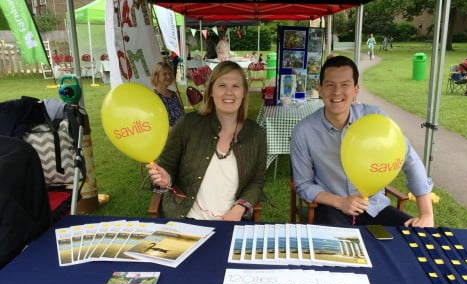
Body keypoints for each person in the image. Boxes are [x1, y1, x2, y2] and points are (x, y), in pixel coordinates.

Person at [290, 55, 434, 228]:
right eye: (330, 85)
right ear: (320, 89)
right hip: (333, 209)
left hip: (375, 207)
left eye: (345, 85)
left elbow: (408, 157)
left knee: (413, 241)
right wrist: (341, 202)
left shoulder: (375, 118)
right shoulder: (304, 132)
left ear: (356, 89)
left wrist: (426, 214)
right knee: (336, 252)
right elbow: (304, 185)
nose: (336, 92)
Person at [147, 61, 266, 221]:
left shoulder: (256, 134)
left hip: (232, 223)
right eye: (222, 85)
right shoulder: (188, 124)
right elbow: (167, 165)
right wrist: (166, 178)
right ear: (210, 91)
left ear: (244, 92)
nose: (229, 92)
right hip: (186, 219)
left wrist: (239, 208)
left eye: (236, 86)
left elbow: (257, 181)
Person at [150, 62, 185, 126]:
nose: (168, 76)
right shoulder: (153, 96)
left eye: (170, 74)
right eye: (164, 74)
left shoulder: (173, 94)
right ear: (157, 76)